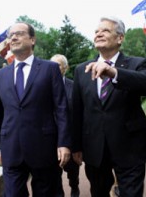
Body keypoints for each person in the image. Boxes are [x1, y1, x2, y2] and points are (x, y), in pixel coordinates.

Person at [72, 16, 146, 197]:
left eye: (105, 30)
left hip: (130, 147)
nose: (98, 34)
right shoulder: (82, 70)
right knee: (98, 192)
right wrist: (75, 146)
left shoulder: (136, 63)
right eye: (96, 31)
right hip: (95, 149)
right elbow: (77, 110)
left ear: (120, 38)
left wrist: (113, 72)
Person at [0, 22, 71, 197]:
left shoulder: (50, 69)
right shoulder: (0, 75)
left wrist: (64, 143)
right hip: (11, 148)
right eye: (11, 35)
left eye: (19, 33)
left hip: (44, 147)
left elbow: (61, 108)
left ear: (32, 39)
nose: (13, 38)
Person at [50, 54, 80, 197]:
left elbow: (79, 114)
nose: (55, 69)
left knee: (72, 171)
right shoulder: (43, 86)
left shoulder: (74, 87)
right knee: (54, 174)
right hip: (50, 139)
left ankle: (74, 186)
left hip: (70, 138)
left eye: (58, 65)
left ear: (65, 68)